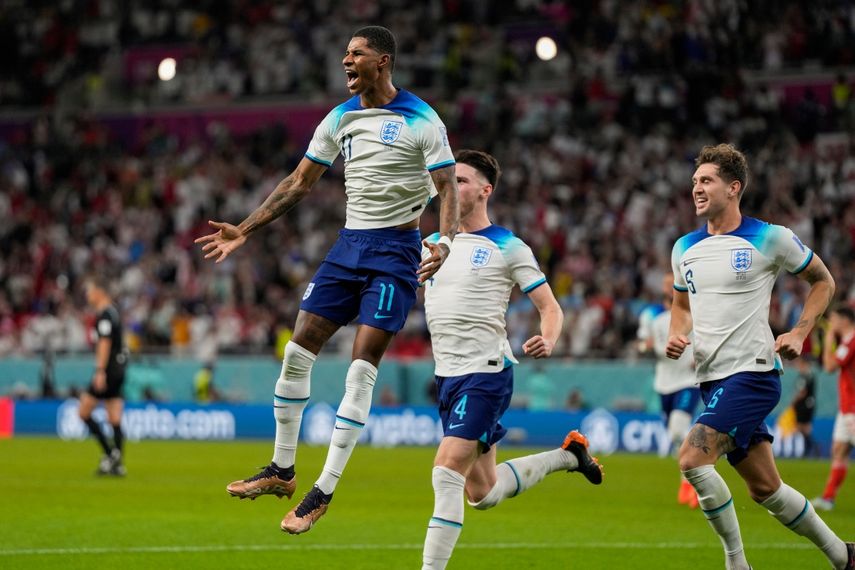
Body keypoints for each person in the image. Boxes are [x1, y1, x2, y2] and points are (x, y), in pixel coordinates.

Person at [195, 26, 459, 535]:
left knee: (360, 370)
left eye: (355, 54)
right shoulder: (340, 118)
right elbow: (299, 181)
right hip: (348, 247)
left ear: (382, 62)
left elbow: (447, 186)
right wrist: (244, 229)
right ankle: (282, 469)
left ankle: (324, 490)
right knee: (297, 353)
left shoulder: (423, 119)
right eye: (344, 53)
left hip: (396, 252)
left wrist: (443, 243)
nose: (346, 61)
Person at [666, 143, 853, 569]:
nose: (696, 188)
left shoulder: (771, 237)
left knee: (692, 460)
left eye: (706, 180)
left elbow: (823, 281)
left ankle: (737, 564)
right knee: (766, 488)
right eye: (695, 181)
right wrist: (679, 334)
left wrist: (800, 332)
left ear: (734, 188)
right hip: (712, 379)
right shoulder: (684, 248)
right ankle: (844, 556)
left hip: (752, 374)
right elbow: (681, 305)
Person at [419, 150, 602, 570]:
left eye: (461, 180)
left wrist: (548, 338)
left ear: (486, 190)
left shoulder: (507, 245)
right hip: (447, 377)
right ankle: (568, 457)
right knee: (481, 493)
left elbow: (550, 307)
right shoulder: (431, 245)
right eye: (449, 179)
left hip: (485, 373)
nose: (451, 186)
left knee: (446, 469)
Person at [638, 273, 701, 508]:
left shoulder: (693, 315)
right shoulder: (654, 318)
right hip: (664, 382)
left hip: (688, 380)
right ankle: (687, 480)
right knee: (676, 435)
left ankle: (695, 479)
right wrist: (647, 347)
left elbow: (705, 340)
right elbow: (643, 344)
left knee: (677, 429)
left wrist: (700, 356)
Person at [78, 275, 128, 476]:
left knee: (84, 412)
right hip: (119, 368)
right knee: (114, 416)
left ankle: (110, 455)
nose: (88, 295)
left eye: (90, 291)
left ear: (100, 292)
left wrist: (100, 371)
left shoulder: (105, 315)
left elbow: (104, 342)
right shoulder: (114, 312)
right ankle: (117, 463)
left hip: (108, 370)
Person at [812, 305, 855, 511]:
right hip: (847, 407)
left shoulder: (851, 341)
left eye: (834, 320)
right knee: (838, 450)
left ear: (844, 321)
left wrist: (828, 337)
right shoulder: (847, 341)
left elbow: (829, 367)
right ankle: (828, 498)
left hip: (853, 408)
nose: (831, 323)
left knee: (840, 451)